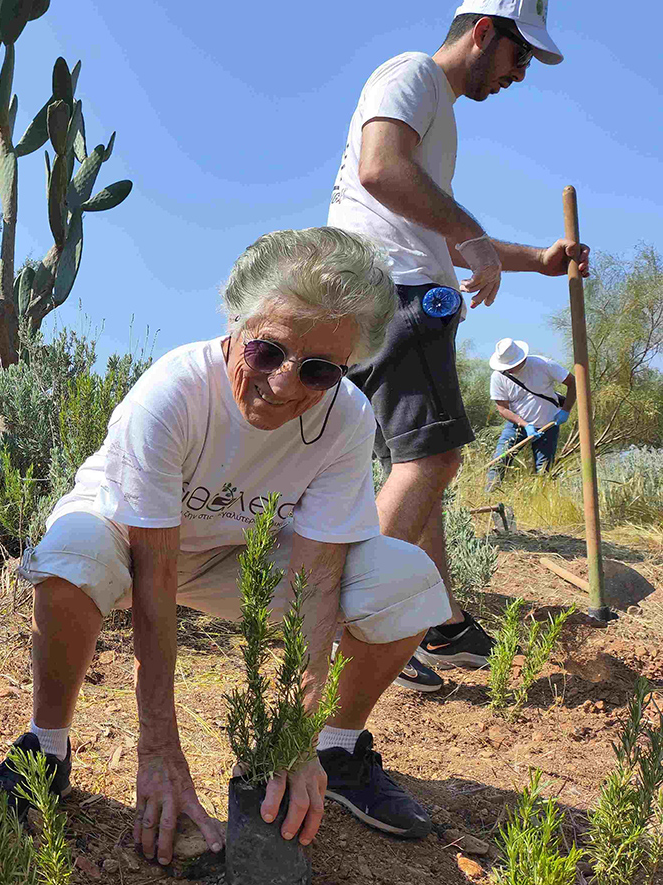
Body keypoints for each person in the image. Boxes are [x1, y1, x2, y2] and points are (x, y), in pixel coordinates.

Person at [0, 229, 452, 864]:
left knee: (402, 579)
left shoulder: (346, 418)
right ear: (235, 322)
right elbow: (153, 576)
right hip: (129, 541)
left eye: (320, 369)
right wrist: (159, 748)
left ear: (347, 366)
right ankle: (46, 747)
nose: (285, 384)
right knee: (73, 555)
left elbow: (316, 584)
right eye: (267, 351)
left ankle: (334, 749)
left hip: (236, 555)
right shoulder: (175, 393)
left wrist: (294, 734)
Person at [327, 0, 589, 684]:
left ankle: (439, 626)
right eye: (519, 54)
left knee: (415, 463)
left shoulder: (434, 114)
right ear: (483, 33)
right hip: (398, 295)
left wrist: (538, 259)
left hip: (380, 293)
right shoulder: (413, 74)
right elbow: (380, 167)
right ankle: (346, 628)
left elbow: (436, 227)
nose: (521, 73)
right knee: (434, 461)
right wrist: (470, 236)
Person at [484, 338, 574, 490]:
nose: (508, 370)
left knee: (544, 470)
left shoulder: (544, 365)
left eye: (511, 365)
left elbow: (574, 383)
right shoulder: (498, 377)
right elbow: (503, 409)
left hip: (548, 425)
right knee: (499, 462)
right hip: (516, 427)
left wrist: (566, 410)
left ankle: (540, 499)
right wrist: (525, 425)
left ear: (522, 359)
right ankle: (489, 496)